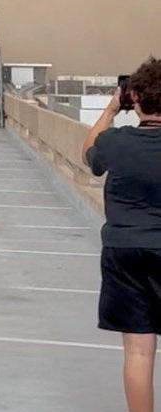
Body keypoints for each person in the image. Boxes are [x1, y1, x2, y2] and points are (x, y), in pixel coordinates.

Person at [83, 57, 161, 412]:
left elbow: (88, 152)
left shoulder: (115, 142)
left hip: (125, 250)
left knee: (139, 351)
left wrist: (112, 108)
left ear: (135, 98)